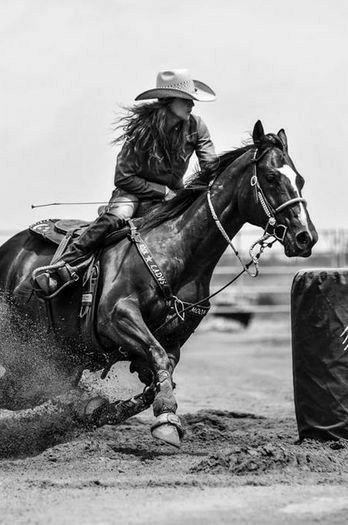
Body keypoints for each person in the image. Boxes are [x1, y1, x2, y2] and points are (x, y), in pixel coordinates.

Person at [34, 69, 217, 294]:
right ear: (168, 101)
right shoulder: (143, 130)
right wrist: (163, 192)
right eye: (187, 99)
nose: (193, 105)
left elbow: (211, 167)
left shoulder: (197, 127)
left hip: (172, 193)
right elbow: (123, 177)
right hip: (132, 192)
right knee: (118, 217)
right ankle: (62, 266)